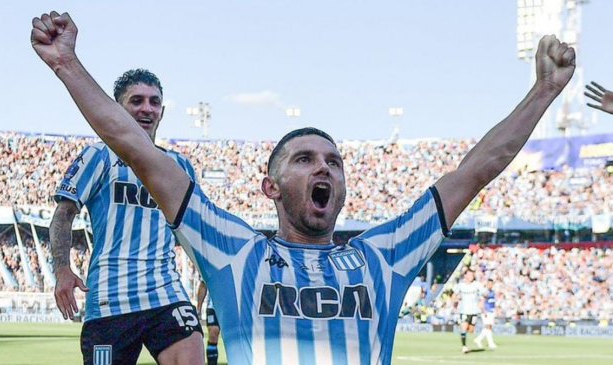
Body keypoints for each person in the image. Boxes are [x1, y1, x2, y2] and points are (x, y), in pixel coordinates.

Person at [32, 11, 575, 365]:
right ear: (269, 186)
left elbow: (477, 169)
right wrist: (68, 65)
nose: (325, 168)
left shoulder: (382, 255)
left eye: (334, 161)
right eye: (305, 158)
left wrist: (545, 91)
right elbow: (136, 149)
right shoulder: (235, 251)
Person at [48, 67, 204, 365]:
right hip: (110, 298)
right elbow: (63, 214)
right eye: (136, 101)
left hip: (166, 293)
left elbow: (195, 232)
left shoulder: (180, 165)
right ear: (117, 109)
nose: (147, 108)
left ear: (162, 111)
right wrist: (62, 270)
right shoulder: (99, 155)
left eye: (154, 102)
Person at [453, 269, 484, 353]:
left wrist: (481, 302)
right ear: (465, 276)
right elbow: (454, 295)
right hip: (464, 310)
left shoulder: (477, 285)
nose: (471, 277)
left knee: (471, 330)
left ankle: (464, 334)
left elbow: (484, 294)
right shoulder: (461, 285)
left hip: (474, 311)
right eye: (469, 275)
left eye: (472, 275)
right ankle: (464, 346)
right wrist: (455, 302)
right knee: (463, 327)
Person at [197, 280, 221, 365]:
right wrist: (199, 307)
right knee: (213, 332)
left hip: (232, 306)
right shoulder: (211, 267)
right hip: (213, 306)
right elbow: (203, 285)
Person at [474, 278, 497, 350]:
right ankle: (490, 343)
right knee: (488, 326)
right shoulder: (485, 292)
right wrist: (484, 311)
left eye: (491, 284)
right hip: (486, 311)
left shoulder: (492, 292)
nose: (490, 285)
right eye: (489, 284)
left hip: (491, 311)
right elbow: (481, 302)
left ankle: (478, 339)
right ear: (487, 284)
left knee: (489, 327)